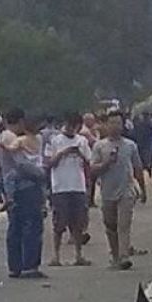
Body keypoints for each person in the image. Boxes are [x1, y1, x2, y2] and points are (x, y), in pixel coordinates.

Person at [91, 111, 148, 270]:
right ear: (106, 125)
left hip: (126, 191)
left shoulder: (130, 145)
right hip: (107, 192)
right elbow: (92, 169)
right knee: (110, 225)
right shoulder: (99, 146)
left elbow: (138, 168)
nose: (115, 126)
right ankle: (115, 255)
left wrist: (143, 189)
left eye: (118, 123)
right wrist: (106, 163)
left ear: (123, 126)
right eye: (112, 123)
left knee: (124, 224)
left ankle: (124, 256)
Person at [2, 113, 48, 278]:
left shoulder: (18, 139)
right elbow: (22, 164)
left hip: (17, 187)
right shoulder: (14, 139)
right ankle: (28, 265)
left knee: (17, 226)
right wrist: (41, 173)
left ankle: (16, 266)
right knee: (31, 226)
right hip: (26, 187)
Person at [44, 112, 92, 267]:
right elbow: (48, 163)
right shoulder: (55, 140)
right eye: (71, 126)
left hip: (78, 185)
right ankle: (56, 256)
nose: (73, 129)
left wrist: (79, 153)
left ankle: (78, 255)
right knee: (59, 222)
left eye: (76, 127)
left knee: (78, 222)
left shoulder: (82, 141)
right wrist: (62, 153)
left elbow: (89, 161)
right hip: (60, 186)